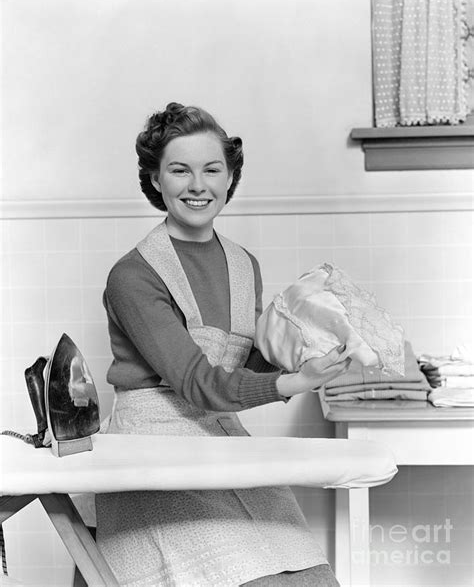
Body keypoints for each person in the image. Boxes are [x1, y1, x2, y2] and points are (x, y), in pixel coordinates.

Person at [95, 102, 349, 587]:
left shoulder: (242, 264)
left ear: (230, 178)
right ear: (154, 179)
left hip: (222, 440)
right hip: (151, 453)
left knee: (313, 579)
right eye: (179, 170)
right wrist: (294, 382)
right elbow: (196, 381)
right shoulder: (133, 276)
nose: (198, 185)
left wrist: (296, 340)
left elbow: (243, 366)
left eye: (212, 170)